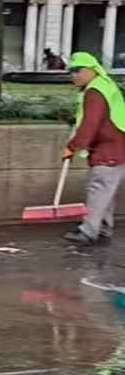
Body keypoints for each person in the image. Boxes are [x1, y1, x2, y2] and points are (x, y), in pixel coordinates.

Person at [61, 52, 125, 247]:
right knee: (105, 189)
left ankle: (88, 231)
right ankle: (103, 227)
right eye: (70, 71)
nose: (73, 75)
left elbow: (91, 125)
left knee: (98, 188)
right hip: (116, 147)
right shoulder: (103, 85)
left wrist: (72, 147)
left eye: (77, 70)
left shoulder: (94, 92)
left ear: (91, 70)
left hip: (108, 150)